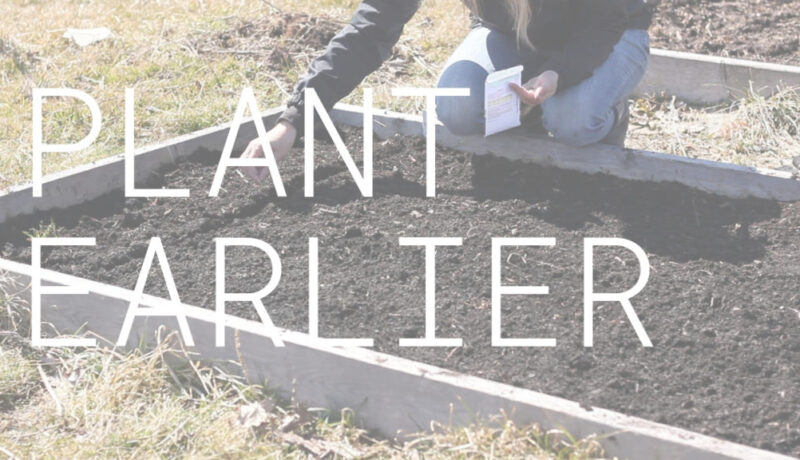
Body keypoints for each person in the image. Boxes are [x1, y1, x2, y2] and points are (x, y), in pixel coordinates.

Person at [241, 0, 655, 181]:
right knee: (457, 107)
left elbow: (603, 23)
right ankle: (532, 116)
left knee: (573, 121)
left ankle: (607, 112)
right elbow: (371, 29)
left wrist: (558, 74)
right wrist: (293, 121)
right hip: (510, 33)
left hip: (611, 33)